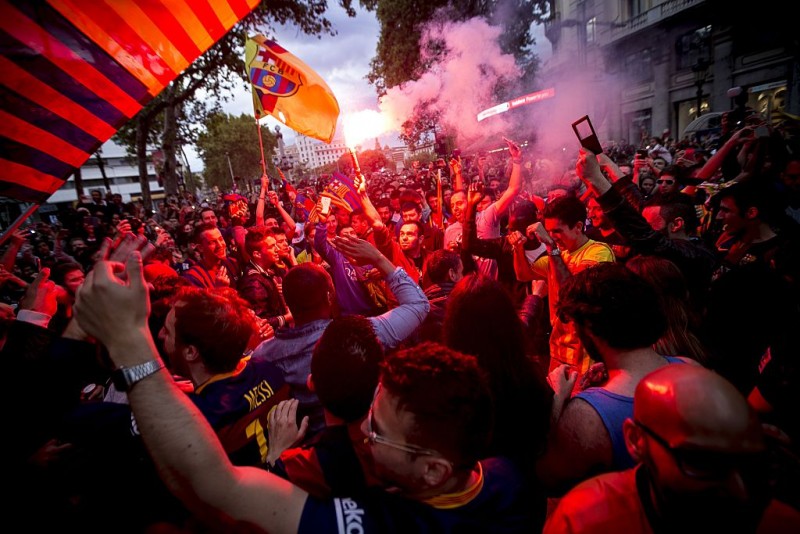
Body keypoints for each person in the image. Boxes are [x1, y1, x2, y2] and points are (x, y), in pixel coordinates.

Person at [73, 265, 537, 531]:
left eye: (377, 431)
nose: (365, 435)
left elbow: (217, 489)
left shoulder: (384, 525)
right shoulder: (512, 474)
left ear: (433, 470)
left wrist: (132, 341)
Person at [544, 365, 799, 533]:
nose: (739, 490)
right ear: (636, 441)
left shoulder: (781, 522)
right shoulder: (585, 521)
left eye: (749, 463)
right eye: (701, 462)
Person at [536, 263, 696, 495]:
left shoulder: (586, 417)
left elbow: (545, 479)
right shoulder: (690, 367)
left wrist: (558, 400)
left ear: (589, 330)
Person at [252, 236, 429, 438]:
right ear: (329, 295)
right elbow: (418, 305)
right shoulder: (359, 333)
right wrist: (378, 259)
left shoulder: (264, 353)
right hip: (363, 439)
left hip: (306, 449)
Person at [512, 194, 615, 377]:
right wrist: (518, 247)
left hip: (586, 351)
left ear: (577, 227)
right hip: (558, 348)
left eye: (557, 231)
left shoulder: (598, 252)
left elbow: (573, 295)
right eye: (549, 231)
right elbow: (523, 274)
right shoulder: (560, 254)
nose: (552, 237)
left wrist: (552, 247)